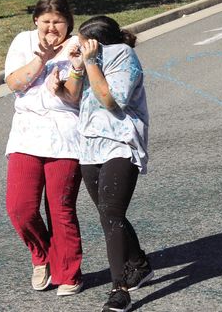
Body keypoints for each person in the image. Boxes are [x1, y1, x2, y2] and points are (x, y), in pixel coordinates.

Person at [63, 16, 153, 312]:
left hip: (121, 142)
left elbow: (112, 100)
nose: (78, 45)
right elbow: (74, 97)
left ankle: (120, 289)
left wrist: (90, 62)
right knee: (108, 214)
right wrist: (75, 70)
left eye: (83, 41)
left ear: (98, 42)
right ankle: (139, 263)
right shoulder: (91, 59)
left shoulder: (124, 56)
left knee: (112, 212)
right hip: (90, 146)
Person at [4, 0, 83, 296]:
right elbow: (13, 83)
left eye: (58, 22)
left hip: (65, 132)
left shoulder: (78, 45)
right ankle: (42, 256)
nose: (52, 28)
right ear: (36, 20)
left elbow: (76, 97)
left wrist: (70, 74)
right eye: (46, 22)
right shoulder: (23, 41)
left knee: (60, 207)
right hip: (27, 132)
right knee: (20, 207)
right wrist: (42, 60)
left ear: (68, 23)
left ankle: (70, 272)